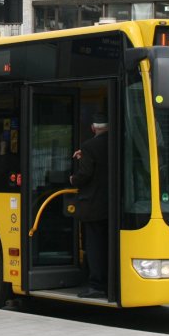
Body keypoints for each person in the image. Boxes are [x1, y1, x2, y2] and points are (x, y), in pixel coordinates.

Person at [69, 115, 109, 298]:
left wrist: (73, 179)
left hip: (93, 206)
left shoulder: (89, 146)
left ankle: (96, 284)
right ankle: (109, 281)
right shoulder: (118, 143)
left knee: (94, 245)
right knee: (107, 244)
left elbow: (85, 174)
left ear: (93, 128)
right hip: (112, 207)